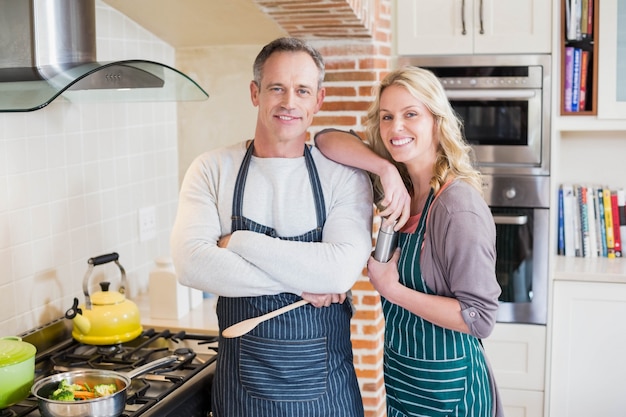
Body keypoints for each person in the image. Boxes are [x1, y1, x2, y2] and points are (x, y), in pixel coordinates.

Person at [170, 37, 373, 417]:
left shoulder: (344, 177)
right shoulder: (212, 169)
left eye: (302, 90)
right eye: (277, 88)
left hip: (327, 394)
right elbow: (191, 264)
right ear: (255, 93)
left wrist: (239, 242)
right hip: (242, 392)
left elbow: (338, 271)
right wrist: (303, 282)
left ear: (319, 100)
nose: (289, 102)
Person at [315, 66, 504, 417]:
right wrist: (384, 169)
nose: (395, 128)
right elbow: (325, 139)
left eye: (411, 114)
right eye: (387, 117)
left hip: (449, 392)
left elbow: (479, 318)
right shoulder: (397, 187)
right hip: (403, 382)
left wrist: (393, 290)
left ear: (437, 121)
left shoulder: (456, 206)